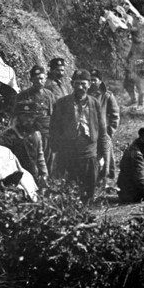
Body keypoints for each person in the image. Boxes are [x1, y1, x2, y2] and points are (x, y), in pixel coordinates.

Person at [50, 69, 107, 203]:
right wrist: (57, 151)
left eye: (84, 84)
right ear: (72, 84)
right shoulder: (62, 103)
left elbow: (102, 130)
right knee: (70, 186)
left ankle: (87, 211)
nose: (80, 87)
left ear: (89, 84)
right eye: (77, 83)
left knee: (90, 187)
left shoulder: (94, 103)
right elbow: (54, 129)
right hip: (70, 152)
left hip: (90, 151)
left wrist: (102, 153)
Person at [0, 101, 48, 185]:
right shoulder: (8, 136)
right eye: (25, 116)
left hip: (34, 179)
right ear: (17, 118)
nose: (28, 120)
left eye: (31, 116)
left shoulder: (36, 135)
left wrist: (44, 174)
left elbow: (40, 157)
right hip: (18, 180)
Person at [16, 65, 57, 176]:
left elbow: (54, 115)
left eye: (41, 78)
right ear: (31, 80)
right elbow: (17, 117)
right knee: (32, 162)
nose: (39, 81)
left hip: (47, 133)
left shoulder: (49, 95)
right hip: (31, 134)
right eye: (36, 78)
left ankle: (47, 185)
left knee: (48, 161)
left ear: (45, 79)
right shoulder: (23, 96)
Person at [87, 69, 120, 188]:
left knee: (107, 156)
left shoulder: (107, 96)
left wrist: (110, 131)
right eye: (90, 80)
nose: (92, 83)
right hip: (90, 132)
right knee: (93, 156)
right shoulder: (85, 95)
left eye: (94, 80)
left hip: (104, 132)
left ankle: (108, 182)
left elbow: (115, 115)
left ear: (100, 81)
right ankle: (95, 181)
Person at [124, 30, 144, 106]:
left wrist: (142, 61)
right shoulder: (133, 44)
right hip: (133, 68)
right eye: (131, 36)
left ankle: (141, 104)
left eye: (133, 36)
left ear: (137, 36)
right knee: (127, 84)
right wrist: (127, 59)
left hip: (142, 68)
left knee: (141, 87)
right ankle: (133, 99)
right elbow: (130, 54)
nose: (132, 38)